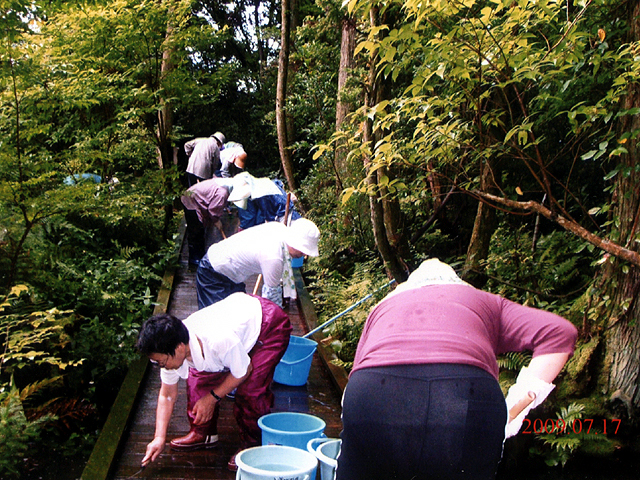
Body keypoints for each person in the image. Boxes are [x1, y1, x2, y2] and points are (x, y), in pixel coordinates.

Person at [336, 258, 578, 480]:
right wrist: (514, 407)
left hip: (375, 392)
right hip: (467, 397)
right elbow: (560, 333)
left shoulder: (383, 306)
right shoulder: (486, 302)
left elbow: (356, 374)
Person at [136, 292, 292, 472]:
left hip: (267, 324)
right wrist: (159, 437)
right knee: (197, 383)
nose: (162, 366)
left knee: (250, 391)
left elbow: (243, 371)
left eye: (162, 362)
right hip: (237, 319)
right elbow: (167, 395)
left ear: (179, 348)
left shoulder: (218, 339)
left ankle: (252, 444)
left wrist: (212, 398)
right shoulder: (170, 346)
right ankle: (204, 434)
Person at [196, 218, 319, 309]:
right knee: (217, 323)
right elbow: (271, 301)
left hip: (231, 274)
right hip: (213, 273)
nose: (305, 255)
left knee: (239, 318)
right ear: (295, 242)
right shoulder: (274, 257)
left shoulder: (279, 229)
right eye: (303, 250)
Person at [182, 132, 225, 264]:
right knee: (199, 196)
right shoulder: (215, 148)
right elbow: (215, 164)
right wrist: (212, 175)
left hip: (190, 169)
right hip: (203, 172)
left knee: (194, 192)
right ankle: (199, 218)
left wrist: (190, 156)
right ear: (219, 143)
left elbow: (187, 145)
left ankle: (198, 215)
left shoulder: (201, 139)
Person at [181, 177, 233, 250]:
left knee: (200, 229)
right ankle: (196, 258)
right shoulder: (222, 193)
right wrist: (217, 221)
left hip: (197, 199)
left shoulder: (224, 183)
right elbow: (213, 211)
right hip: (190, 201)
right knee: (196, 231)